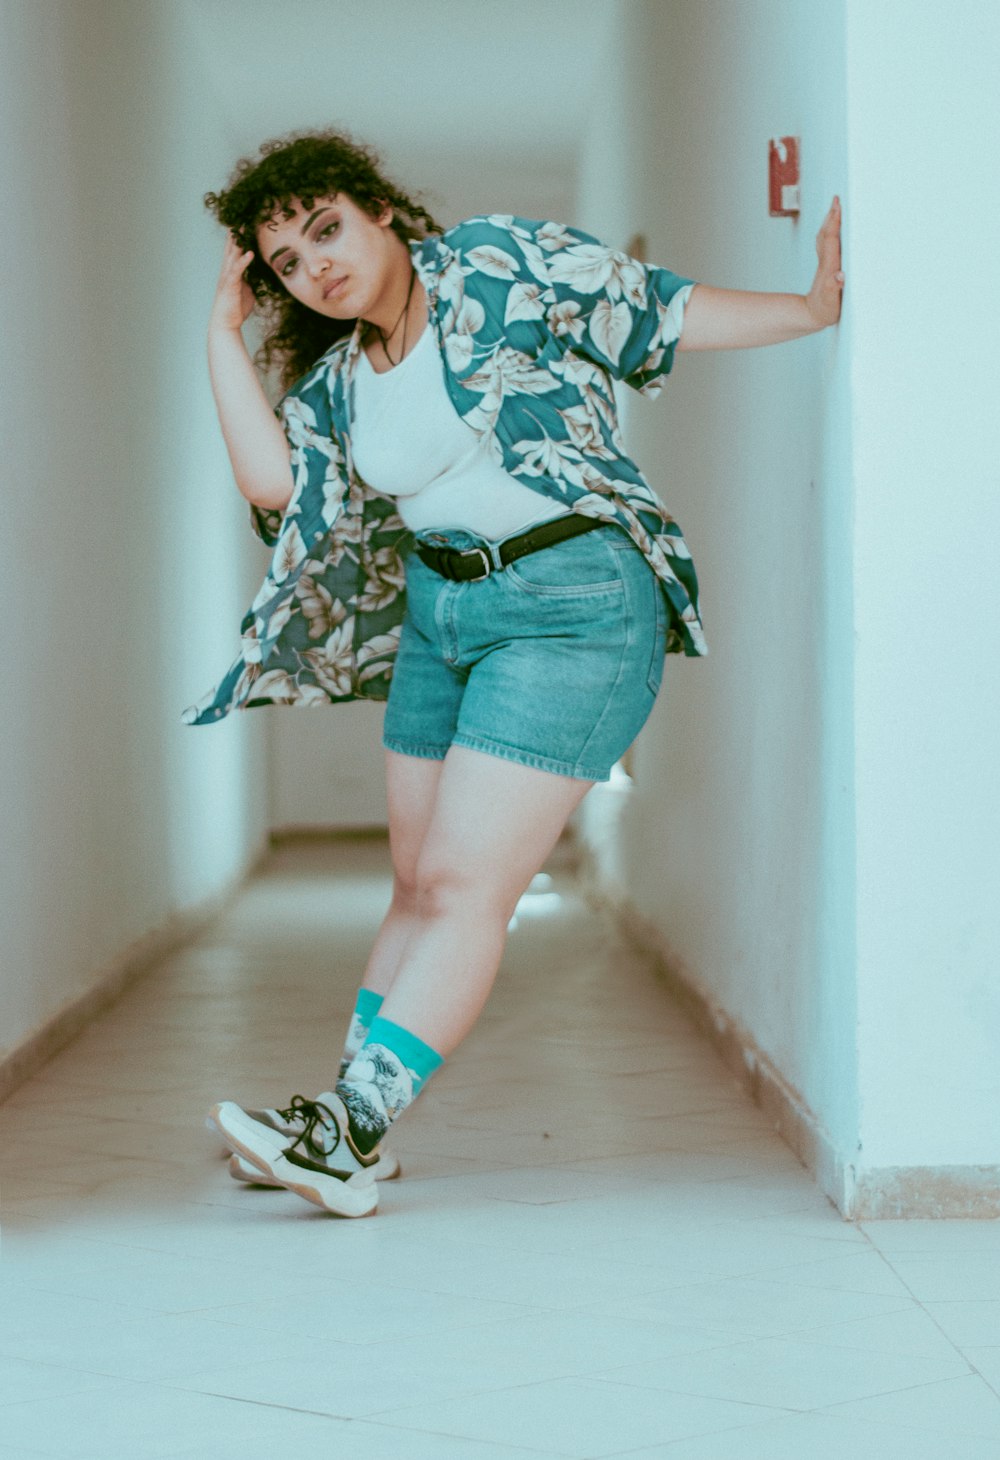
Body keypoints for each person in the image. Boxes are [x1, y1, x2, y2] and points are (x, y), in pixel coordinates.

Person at [192, 127, 844, 1218]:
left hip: (573, 600)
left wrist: (807, 309)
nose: (319, 266)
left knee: (460, 886)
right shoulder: (341, 380)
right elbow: (271, 484)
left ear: (378, 209)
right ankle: (344, 1115)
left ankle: (348, 1134)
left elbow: (653, 305)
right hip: (443, 611)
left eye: (325, 230)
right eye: (291, 265)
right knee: (412, 880)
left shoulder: (496, 263)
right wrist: (222, 327)